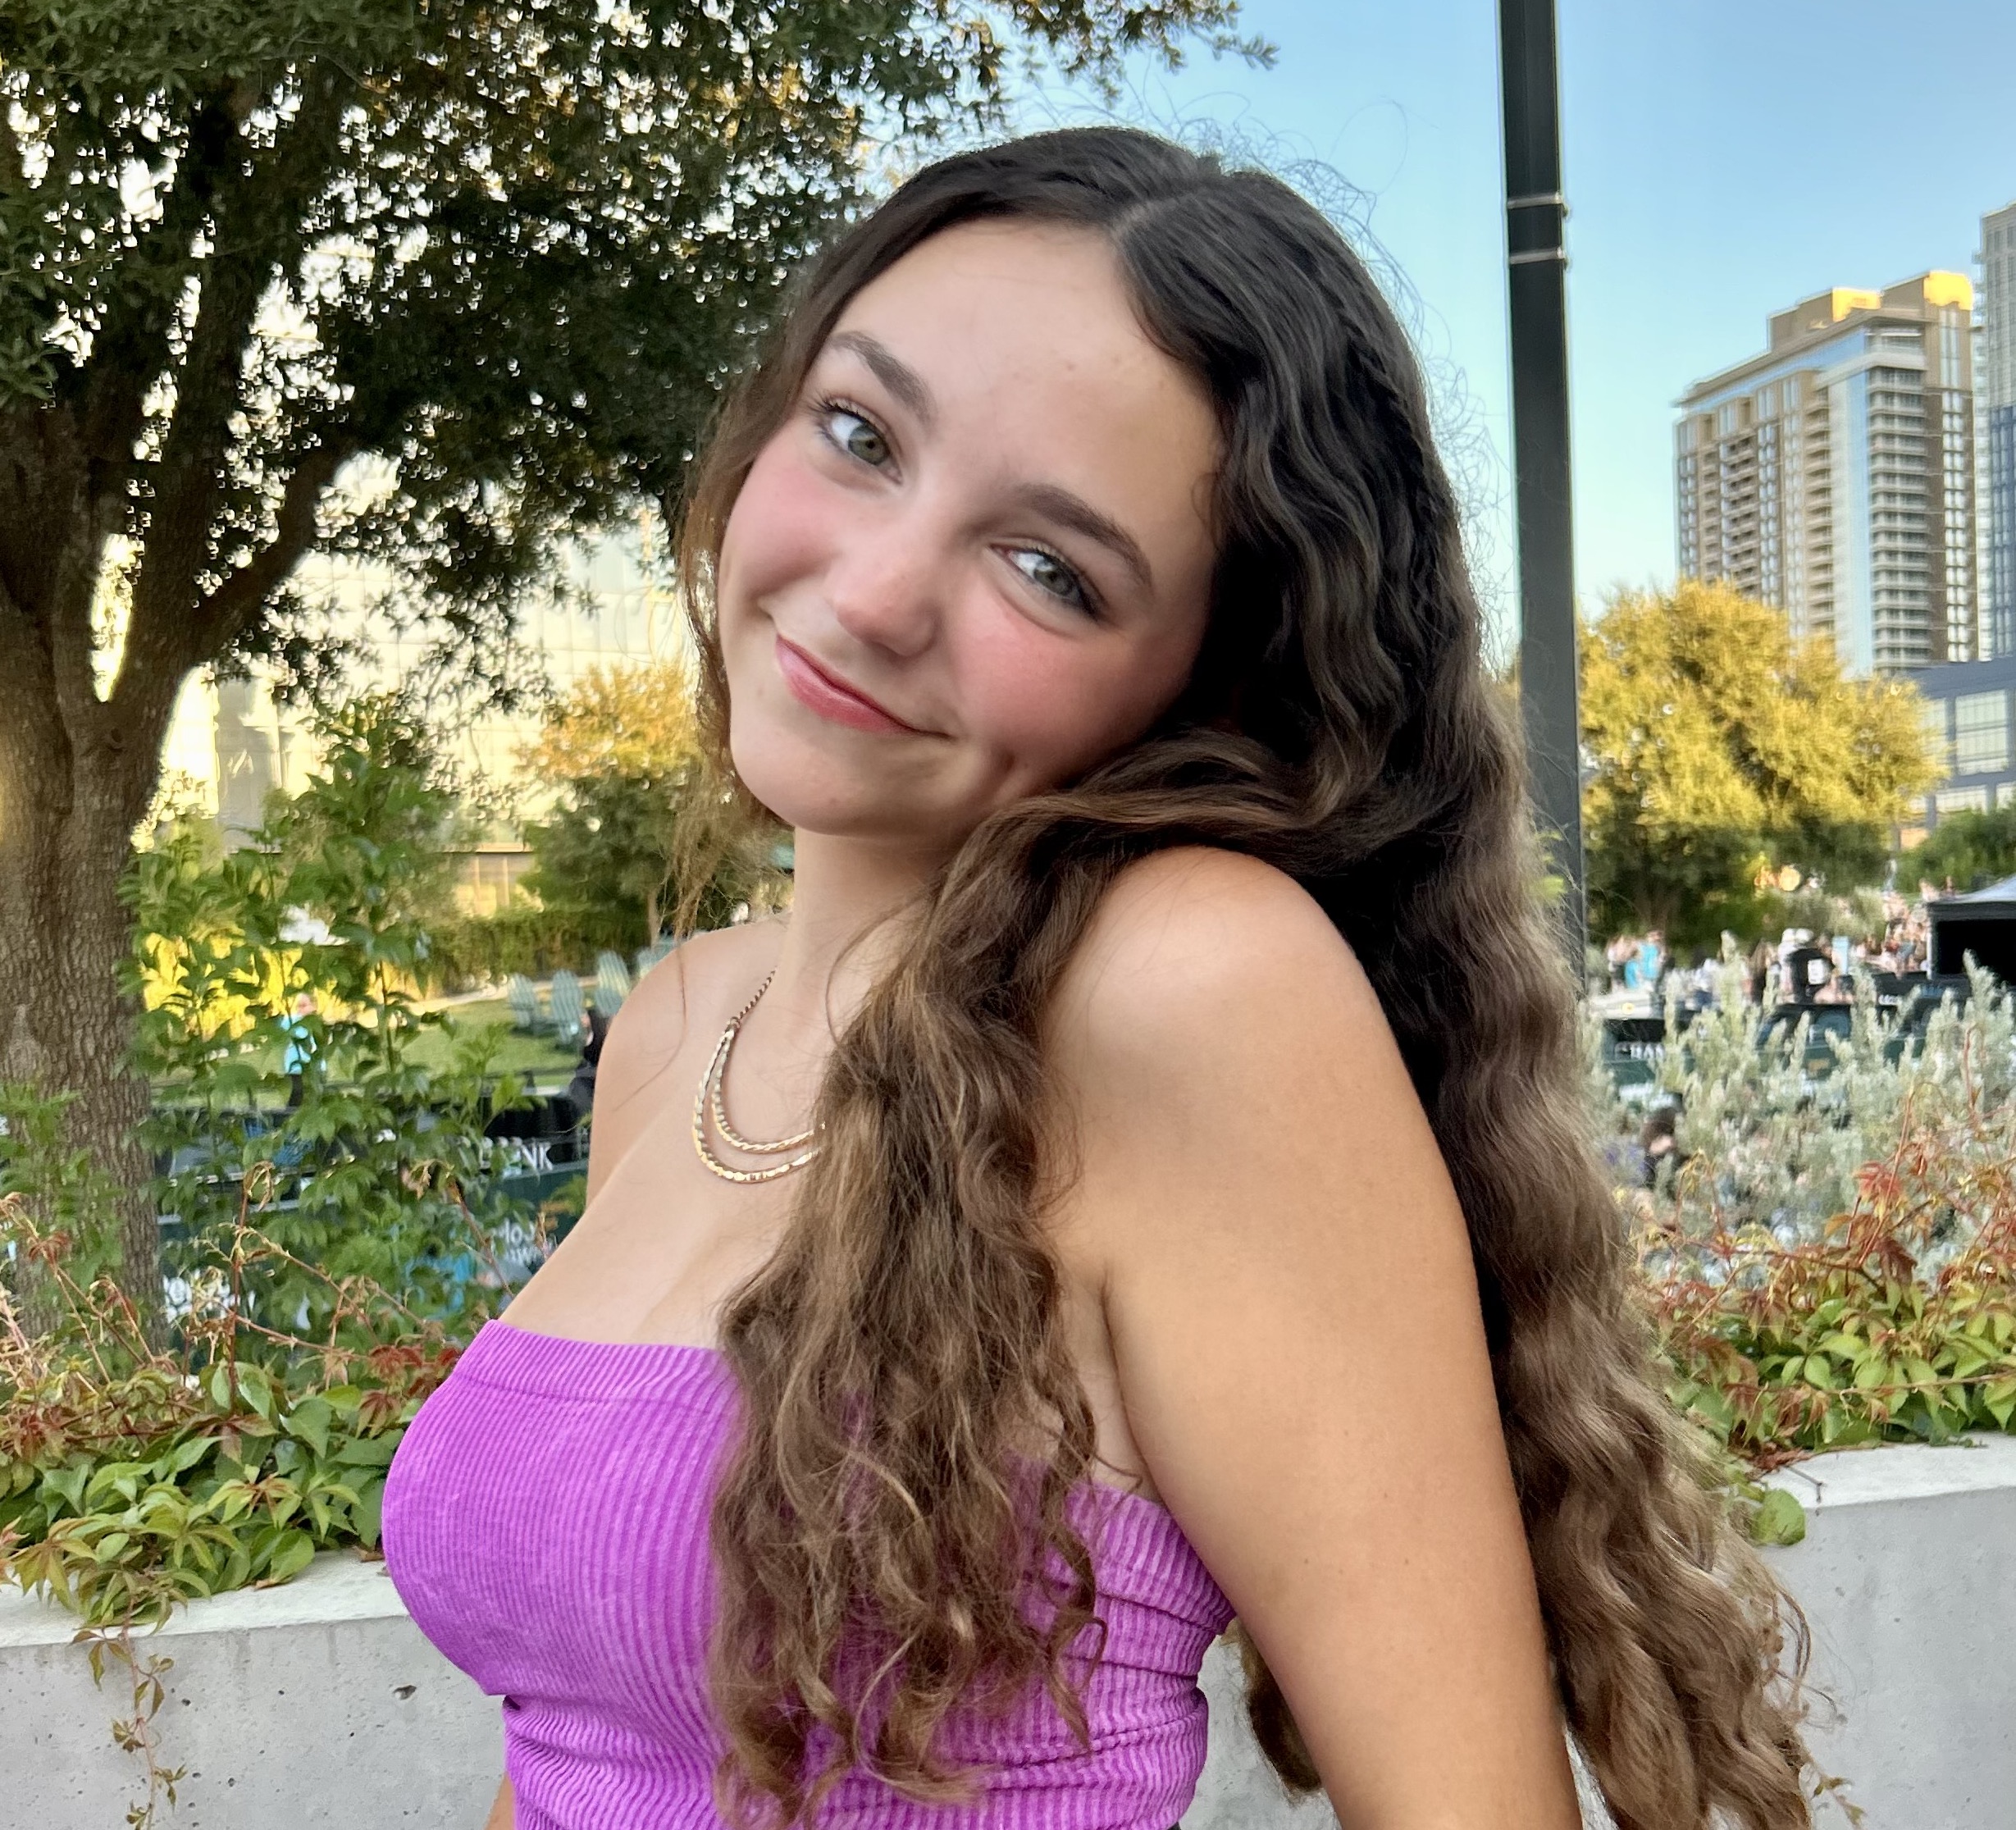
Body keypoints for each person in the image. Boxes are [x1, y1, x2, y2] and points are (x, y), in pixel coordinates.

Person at [381, 131, 1808, 1830]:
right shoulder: (679, 1025)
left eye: (1048, 569)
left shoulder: (1184, 990)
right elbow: (584, 1745)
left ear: (1200, 683)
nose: (877, 591)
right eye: (859, 434)